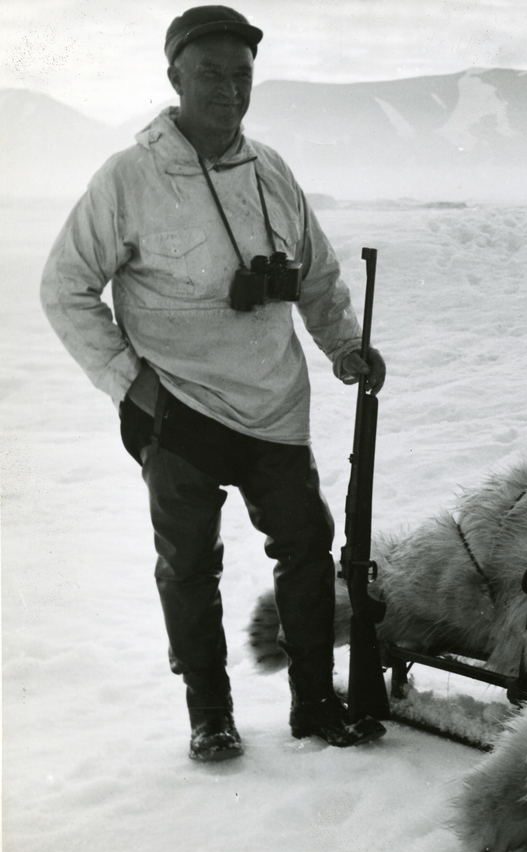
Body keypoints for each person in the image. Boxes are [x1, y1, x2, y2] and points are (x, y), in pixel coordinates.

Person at [40, 5, 388, 762]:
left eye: (242, 75)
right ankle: (211, 713)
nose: (229, 90)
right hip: (178, 408)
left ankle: (315, 702)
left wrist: (345, 346)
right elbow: (64, 287)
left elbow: (320, 279)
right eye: (211, 74)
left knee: (306, 545)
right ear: (174, 78)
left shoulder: (272, 171)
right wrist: (130, 384)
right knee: (190, 562)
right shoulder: (129, 177)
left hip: (274, 406)